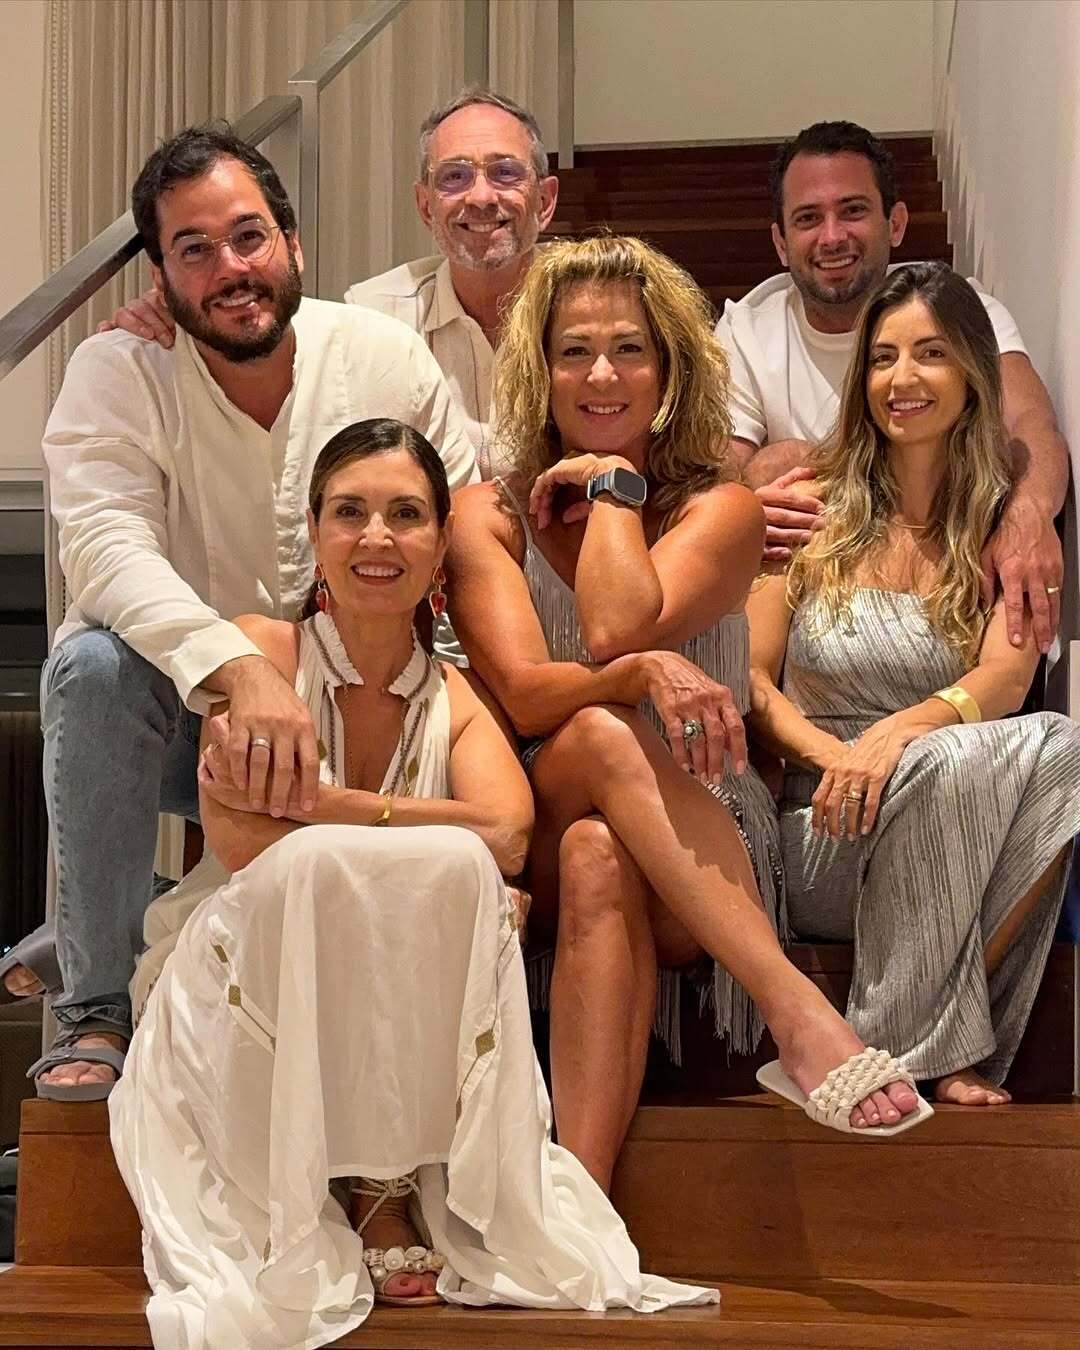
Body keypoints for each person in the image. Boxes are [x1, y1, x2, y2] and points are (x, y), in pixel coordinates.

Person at [108, 418, 717, 1349]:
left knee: (437, 868)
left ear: (439, 547)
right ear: (315, 533)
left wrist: (324, 805)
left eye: (405, 515)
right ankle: (349, 1188)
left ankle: (383, 1179)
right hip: (235, 976)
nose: (377, 537)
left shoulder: (456, 697)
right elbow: (240, 841)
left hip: (384, 989)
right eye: (350, 512)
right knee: (328, 866)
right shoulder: (263, 654)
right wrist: (410, 835)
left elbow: (508, 833)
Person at [448, 234, 931, 1194]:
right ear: (538, 369)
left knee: (602, 849)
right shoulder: (485, 514)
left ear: (670, 370)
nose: (602, 374)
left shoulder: (724, 510)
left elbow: (614, 621)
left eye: (630, 349)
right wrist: (636, 677)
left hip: (707, 815)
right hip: (545, 797)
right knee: (597, 739)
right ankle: (798, 1012)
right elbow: (534, 692)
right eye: (574, 351)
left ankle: (579, 1207)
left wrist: (612, 488)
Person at [18, 124, 476, 1101]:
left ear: (293, 243)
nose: (229, 268)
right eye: (194, 249)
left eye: (248, 236)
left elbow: (463, 523)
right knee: (90, 666)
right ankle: (95, 1006)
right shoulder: (118, 371)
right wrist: (235, 671)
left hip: (357, 721)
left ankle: (118, 908)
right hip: (187, 722)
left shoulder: (383, 357)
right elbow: (104, 548)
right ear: (160, 278)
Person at [746, 262, 1080, 1106]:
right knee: (952, 760)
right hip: (828, 821)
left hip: (946, 791)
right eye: (883, 357)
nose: (903, 378)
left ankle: (897, 1040)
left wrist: (899, 737)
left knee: (1061, 746)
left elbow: (1008, 676)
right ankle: (936, 1052)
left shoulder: (1002, 522)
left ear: (971, 372)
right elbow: (750, 679)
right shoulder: (811, 504)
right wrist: (841, 757)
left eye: (930, 353)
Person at [718, 121, 1067, 654]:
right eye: (808, 218)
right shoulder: (746, 330)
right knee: (769, 473)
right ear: (781, 242)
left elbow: (1032, 426)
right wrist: (743, 508)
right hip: (807, 605)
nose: (832, 237)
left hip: (944, 585)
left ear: (896, 222)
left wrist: (1029, 513)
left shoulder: (959, 307)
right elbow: (719, 472)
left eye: (853, 210)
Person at [103, 88, 559, 480]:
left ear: (545, 200)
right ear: (425, 206)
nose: (480, 197)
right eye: (454, 177)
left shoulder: (589, 307)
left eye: (505, 172)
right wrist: (173, 311)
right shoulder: (376, 316)